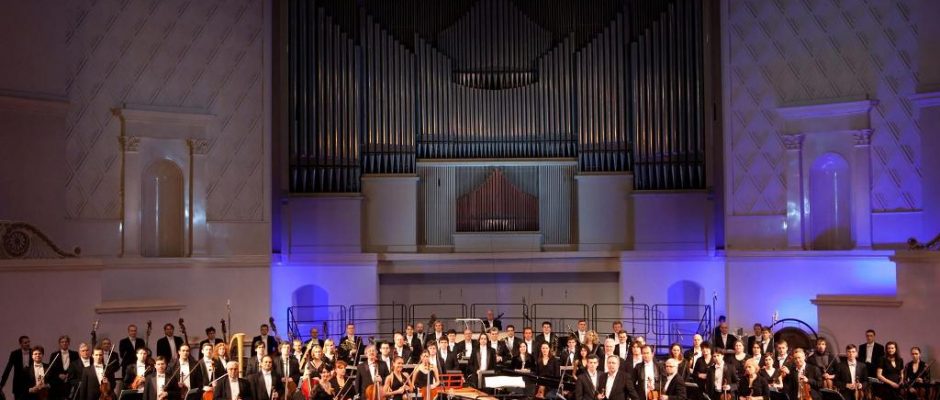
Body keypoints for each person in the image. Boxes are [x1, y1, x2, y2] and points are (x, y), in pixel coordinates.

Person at [2, 336, 32, 400]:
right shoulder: (15, 354)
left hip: (31, 384)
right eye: (25, 343)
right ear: (20, 344)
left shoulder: (33, 352)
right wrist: (2, 384)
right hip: (18, 384)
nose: (28, 344)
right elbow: (8, 368)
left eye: (28, 342)